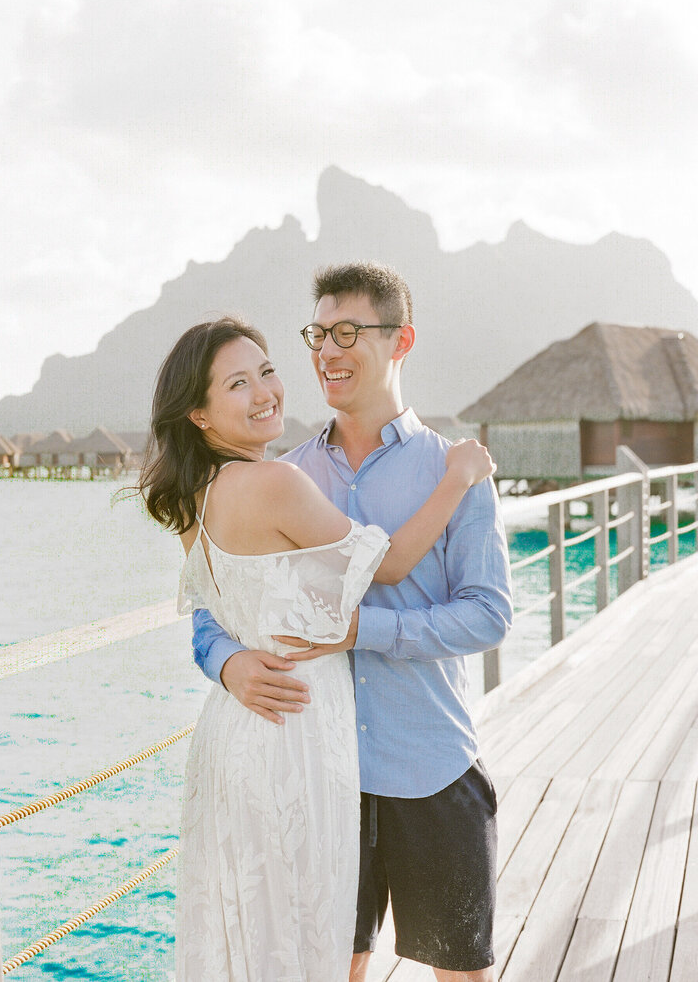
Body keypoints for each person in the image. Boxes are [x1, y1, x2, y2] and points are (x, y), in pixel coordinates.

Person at [137, 314, 496, 982]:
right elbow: (384, 568)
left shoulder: (191, 497)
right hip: (294, 735)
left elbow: (223, 606)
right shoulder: (278, 482)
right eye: (237, 384)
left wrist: (235, 658)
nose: (264, 391)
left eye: (266, 371)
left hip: (237, 738)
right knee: (306, 939)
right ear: (200, 415)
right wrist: (458, 478)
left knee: (251, 929)